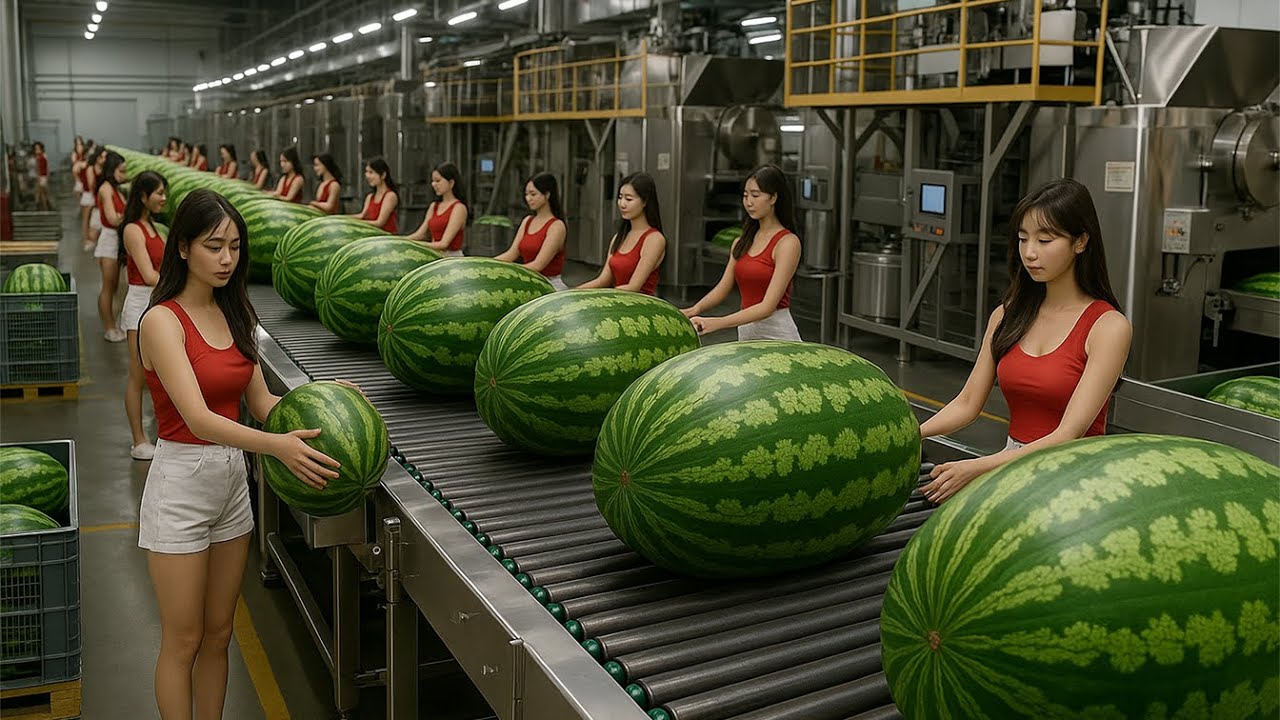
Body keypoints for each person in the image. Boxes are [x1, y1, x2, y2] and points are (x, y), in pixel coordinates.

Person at [137, 188, 346, 720]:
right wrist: (278, 447)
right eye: (214, 246)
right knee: (182, 640)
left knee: (219, 633)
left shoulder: (237, 316)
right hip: (181, 483)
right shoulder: (162, 321)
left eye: (234, 247)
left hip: (232, 482)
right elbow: (201, 418)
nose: (227, 258)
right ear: (182, 248)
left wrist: (335, 399)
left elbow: (262, 402)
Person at [919, 178, 1132, 504]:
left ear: (1081, 242)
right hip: (1012, 467)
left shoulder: (1108, 327)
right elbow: (967, 404)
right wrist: (909, 435)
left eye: (1045, 240)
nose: (1030, 253)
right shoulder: (1007, 316)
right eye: (1022, 239)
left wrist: (978, 468)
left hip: (1075, 481)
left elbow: (1067, 435)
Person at [682, 164, 802, 340]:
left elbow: (767, 307)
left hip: (777, 334)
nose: (749, 202)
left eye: (755, 195)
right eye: (745, 195)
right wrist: (695, 309)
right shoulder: (741, 242)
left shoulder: (788, 243)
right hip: (746, 330)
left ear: (773, 197)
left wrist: (718, 323)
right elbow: (723, 288)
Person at [120, 171, 168, 461]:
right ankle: (138, 440)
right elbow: (149, 275)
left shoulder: (152, 226)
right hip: (139, 307)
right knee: (137, 376)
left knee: (160, 376)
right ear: (142, 196)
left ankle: (161, 434)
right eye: (159, 193)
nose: (164, 198)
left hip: (157, 305)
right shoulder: (132, 230)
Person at [576, 172, 666, 294]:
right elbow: (603, 280)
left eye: (629, 199)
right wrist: (572, 293)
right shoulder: (619, 237)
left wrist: (602, 296)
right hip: (616, 301)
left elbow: (634, 287)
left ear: (645, 201)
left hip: (639, 308)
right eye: (620, 197)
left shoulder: (654, 239)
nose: (622, 204)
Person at [494, 172, 567, 290]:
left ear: (547, 195)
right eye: (526, 194)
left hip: (549, 285)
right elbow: (512, 253)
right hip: (526, 280)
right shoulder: (527, 221)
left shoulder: (557, 226)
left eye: (533, 194)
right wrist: (486, 264)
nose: (528, 199)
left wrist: (508, 273)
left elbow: (539, 264)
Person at [95, 150, 129, 343]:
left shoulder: (115, 189)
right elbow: (111, 218)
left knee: (115, 286)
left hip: (116, 240)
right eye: (121, 171)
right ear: (112, 169)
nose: (123, 175)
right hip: (109, 242)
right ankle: (108, 327)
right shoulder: (106, 189)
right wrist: (131, 216)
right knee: (108, 287)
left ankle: (113, 324)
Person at [407, 162, 467, 256]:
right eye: (433, 181)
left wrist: (414, 245)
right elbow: (420, 234)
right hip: (434, 256)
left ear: (451, 183)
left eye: (438, 181)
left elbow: (444, 244)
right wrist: (399, 240)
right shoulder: (434, 206)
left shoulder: (459, 208)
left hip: (451, 259)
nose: (434, 184)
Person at [347, 158, 398, 233]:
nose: (367, 176)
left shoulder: (390, 196)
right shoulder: (370, 197)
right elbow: (362, 216)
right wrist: (341, 218)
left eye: (371, 172)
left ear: (383, 175)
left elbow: (380, 222)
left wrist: (355, 223)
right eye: (366, 172)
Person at [81, 147, 103, 251]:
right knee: (86, 219)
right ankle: (86, 239)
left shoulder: (103, 169)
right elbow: (91, 185)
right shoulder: (91, 168)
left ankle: (92, 240)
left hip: (97, 197)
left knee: (94, 221)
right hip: (90, 196)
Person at [32, 141, 52, 211]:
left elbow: (47, 166)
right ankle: (45, 206)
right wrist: (38, 177)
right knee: (41, 192)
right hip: (39, 176)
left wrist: (47, 175)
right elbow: (36, 168)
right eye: (36, 149)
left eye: (38, 149)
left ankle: (44, 206)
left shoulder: (44, 156)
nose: (37, 150)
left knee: (42, 192)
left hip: (43, 176)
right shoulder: (36, 157)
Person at [70, 136, 87, 200]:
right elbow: (73, 160)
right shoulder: (74, 151)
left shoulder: (85, 149)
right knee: (78, 187)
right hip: (78, 170)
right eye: (77, 141)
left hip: (83, 168)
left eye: (79, 140)